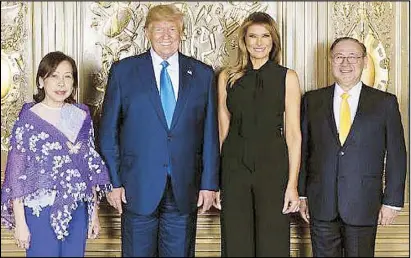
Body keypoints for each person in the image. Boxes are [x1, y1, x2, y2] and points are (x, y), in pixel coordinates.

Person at [99, 4, 219, 257]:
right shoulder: (123, 71)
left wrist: (209, 184)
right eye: (159, 29)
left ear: (182, 32)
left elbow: (210, 134)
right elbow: (108, 132)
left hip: (184, 188)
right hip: (135, 188)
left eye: (172, 29)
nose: (166, 35)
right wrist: (113, 182)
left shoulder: (202, 74)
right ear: (146, 32)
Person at [298, 37, 407, 257]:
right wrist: (302, 195)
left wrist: (392, 201)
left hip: (364, 203)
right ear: (331, 61)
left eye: (353, 57)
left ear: (365, 61)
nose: (345, 63)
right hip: (321, 204)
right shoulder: (312, 100)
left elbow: (397, 153)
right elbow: (303, 151)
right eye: (339, 57)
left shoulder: (385, 102)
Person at [0, 51, 112, 257]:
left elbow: (87, 168)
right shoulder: (29, 118)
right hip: (39, 211)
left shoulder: (78, 115)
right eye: (54, 76)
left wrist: (93, 213)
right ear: (41, 81)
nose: (61, 83)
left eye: (67, 76)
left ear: (73, 83)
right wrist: (21, 223)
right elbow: (16, 175)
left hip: (77, 209)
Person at [215, 12, 302, 257]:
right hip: (234, 169)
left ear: (273, 41)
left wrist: (292, 185)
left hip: (273, 168)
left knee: (273, 245)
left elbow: (294, 135)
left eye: (265, 36)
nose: (259, 42)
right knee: (235, 243)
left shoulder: (288, 77)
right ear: (244, 40)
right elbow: (223, 132)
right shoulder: (227, 77)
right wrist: (221, 182)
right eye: (252, 36)